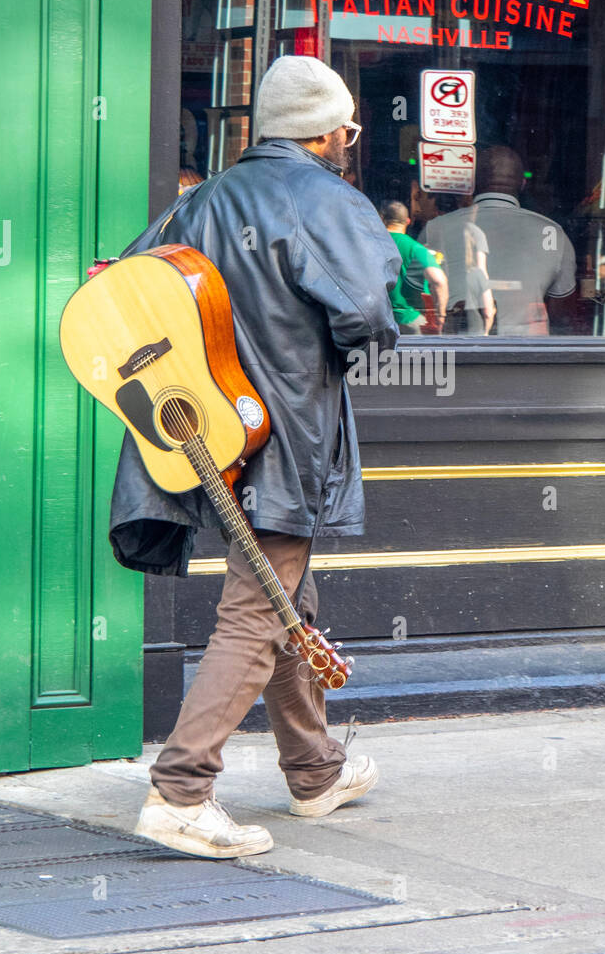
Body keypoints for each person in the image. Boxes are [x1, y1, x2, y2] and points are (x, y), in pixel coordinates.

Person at [108, 56, 401, 859]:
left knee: (281, 593)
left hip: (200, 436)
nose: (352, 137)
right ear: (330, 131)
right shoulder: (329, 201)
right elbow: (369, 316)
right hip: (285, 435)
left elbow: (121, 292)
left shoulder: (197, 201)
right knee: (258, 607)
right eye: (349, 126)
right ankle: (180, 792)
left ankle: (314, 769)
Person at [471, 146, 577, 335]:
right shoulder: (551, 232)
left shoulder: (437, 228)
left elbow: (415, 300)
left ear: (473, 182)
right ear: (523, 183)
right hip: (529, 351)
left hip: (455, 352)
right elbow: (561, 310)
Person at [420, 193, 494, 334]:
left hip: (442, 305)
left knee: (447, 353)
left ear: (436, 210)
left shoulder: (432, 227)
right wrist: (488, 311)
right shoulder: (475, 231)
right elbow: (482, 271)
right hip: (472, 305)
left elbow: (418, 264)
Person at [381, 200, 448, 333]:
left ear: (382, 219)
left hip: (375, 321)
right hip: (408, 321)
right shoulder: (416, 249)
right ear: (408, 221)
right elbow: (438, 281)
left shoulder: (367, 245)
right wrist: (440, 316)